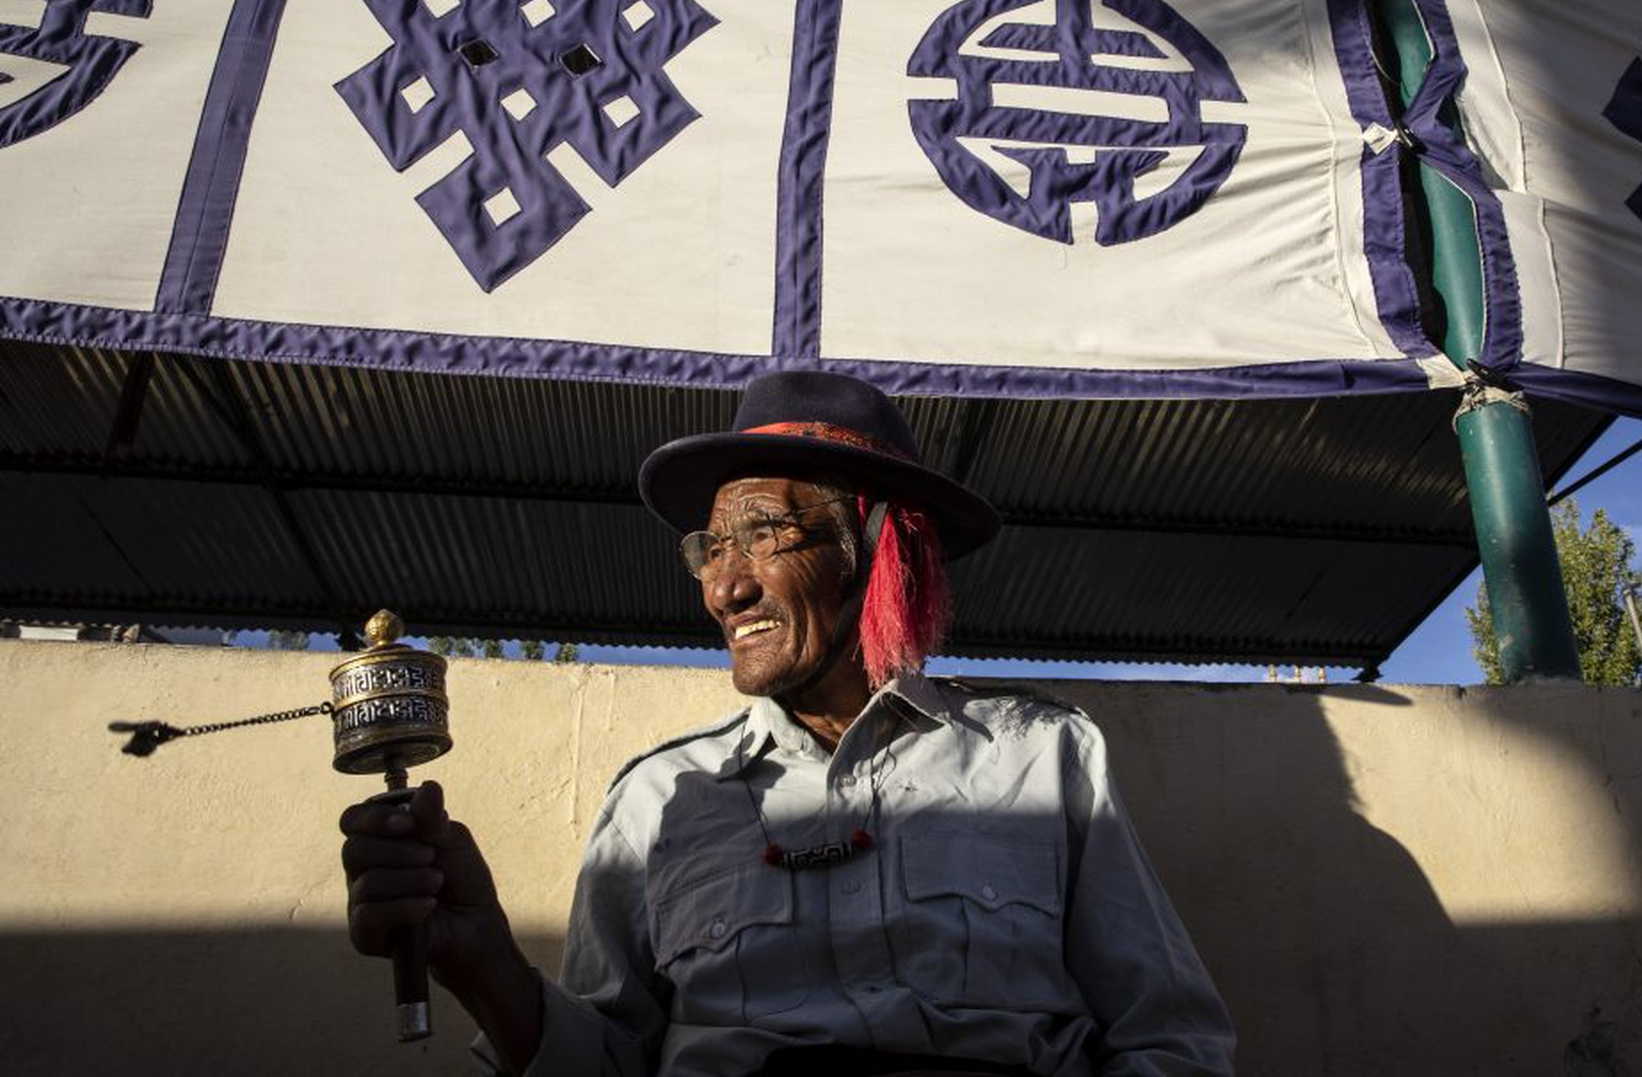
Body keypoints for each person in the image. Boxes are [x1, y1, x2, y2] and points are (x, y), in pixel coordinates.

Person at [341, 370, 1235, 1076]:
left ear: (880, 543)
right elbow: (609, 1065)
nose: (725, 587)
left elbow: (1173, 1041)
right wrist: (485, 965)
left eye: (763, 532)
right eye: (710, 547)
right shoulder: (658, 800)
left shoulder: (1041, 756)